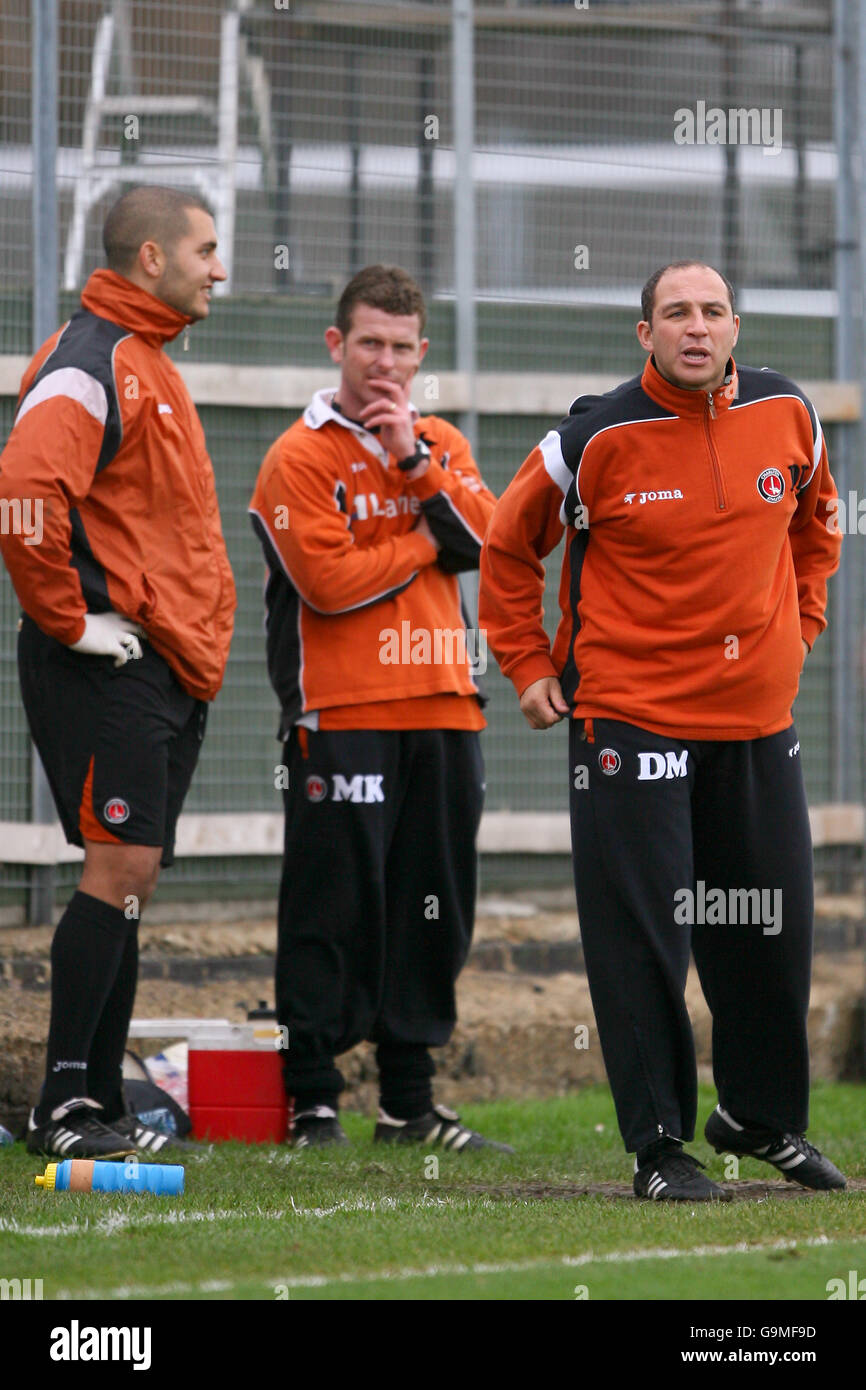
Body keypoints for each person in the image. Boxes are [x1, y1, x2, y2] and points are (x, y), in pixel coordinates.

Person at [478, 260, 845, 1199]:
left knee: (769, 929)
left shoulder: (790, 415)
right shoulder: (593, 437)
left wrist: (800, 628)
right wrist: (524, 664)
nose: (696, 327)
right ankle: (659, 1148)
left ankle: (757, 1119)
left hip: (758, 722)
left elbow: (818, 529)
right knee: (646, 937)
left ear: (735, 327)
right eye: (675, 313)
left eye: (713, 312)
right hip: (628, 720)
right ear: (644, 334)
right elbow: (507, 543)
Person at [249, 264, 511, 1151]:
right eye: (369, 343)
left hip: (445, 709)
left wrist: (414, 466)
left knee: (432, 908)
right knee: (331, 908)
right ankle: (312, 1098)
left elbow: (489, 542)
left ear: (422, 352)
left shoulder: (438, 442)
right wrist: (422, 539)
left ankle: (409, 1103)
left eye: (402, 347)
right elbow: (326, 586)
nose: (385, 363)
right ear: (337, 345)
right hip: (342, 715)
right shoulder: (297, 456)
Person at [0, 186, 236, 1158]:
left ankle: (100, 1100)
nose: (220, 267)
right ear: (151, 256)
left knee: (133, 875)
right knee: (120, 863)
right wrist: (70, 620)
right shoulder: (91, 361)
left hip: (164, 660)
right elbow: (21, 494)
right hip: (110, 659)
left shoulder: (149, 361)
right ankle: (63, 1106)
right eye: (207, 248)